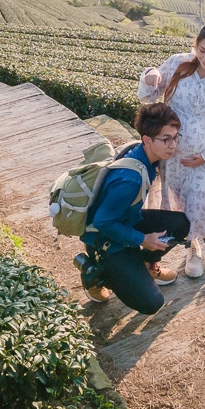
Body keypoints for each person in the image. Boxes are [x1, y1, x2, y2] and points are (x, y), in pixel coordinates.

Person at [138, 15, 205, 278]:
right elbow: (151, 92)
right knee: (178, 207)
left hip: (202, 158)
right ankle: (193, 246)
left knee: (197, 205)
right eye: (201, 50)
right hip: (170, 154)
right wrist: (150, 75)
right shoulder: (178, 63)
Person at [77, 102, 191, 314]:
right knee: (151, 303)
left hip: (127, 220)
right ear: (147, 140)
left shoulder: (141, 154)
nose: (173, 145)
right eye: (166, 139)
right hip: (105, 239)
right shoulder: (130, 179)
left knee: (180, 223)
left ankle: (147, 264)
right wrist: (143, 240)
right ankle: (95, 272)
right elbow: (103, 222)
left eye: (175, 137)